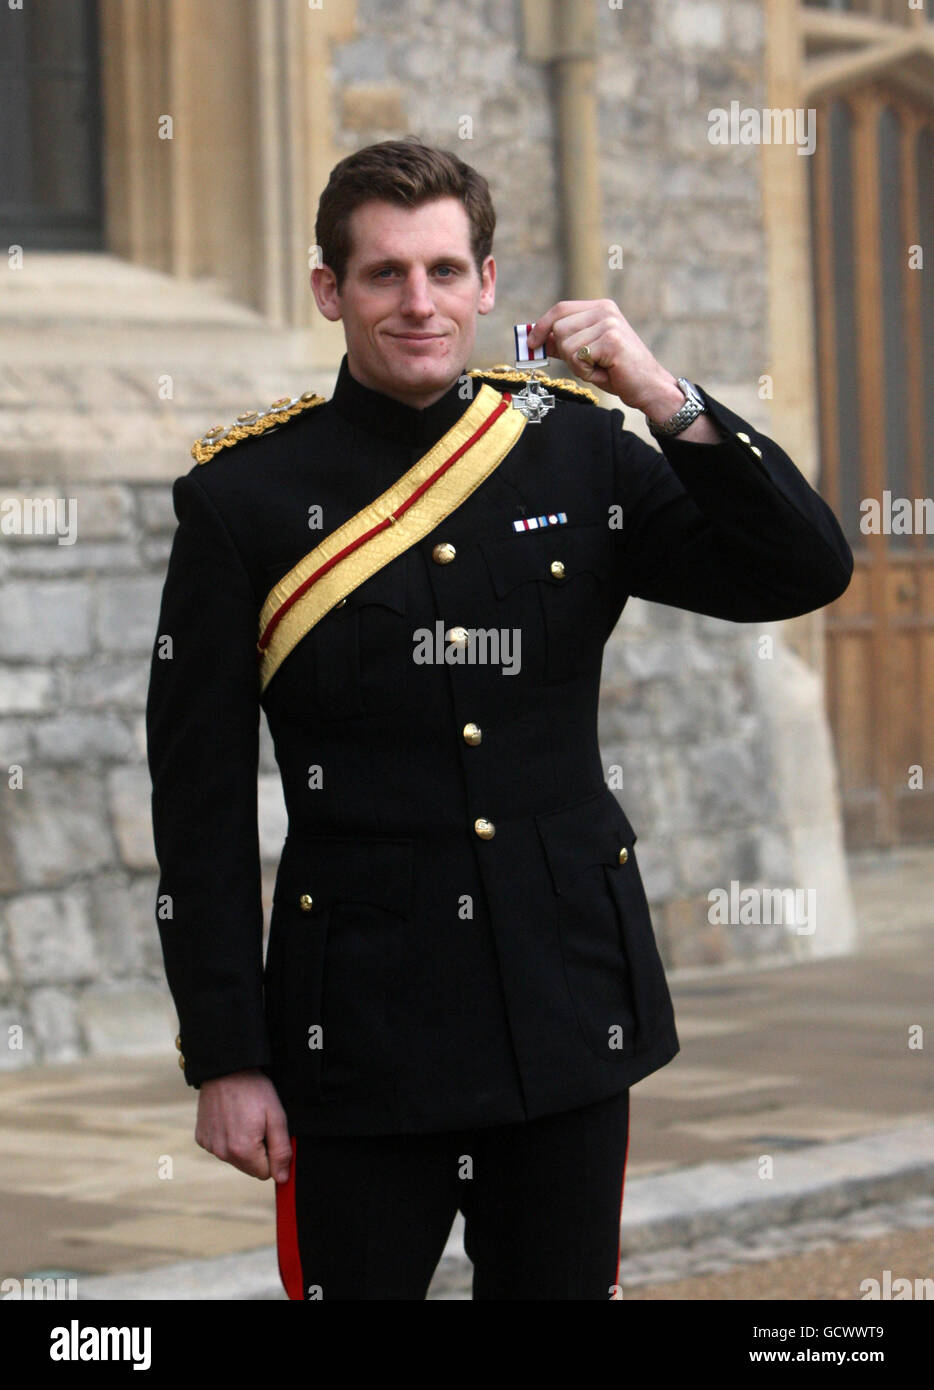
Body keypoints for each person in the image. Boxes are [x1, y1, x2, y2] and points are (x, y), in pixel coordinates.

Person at [146, 138, 853, 1300]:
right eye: (383, 274)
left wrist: (659, 392)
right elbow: (200, 797)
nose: (417, 303)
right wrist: (225, 1056)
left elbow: (801, 568)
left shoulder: (577, 445)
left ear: (486, 280)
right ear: (330, 291)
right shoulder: (243, 499)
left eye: (442, 270)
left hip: (562, 999)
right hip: (362, 1025)